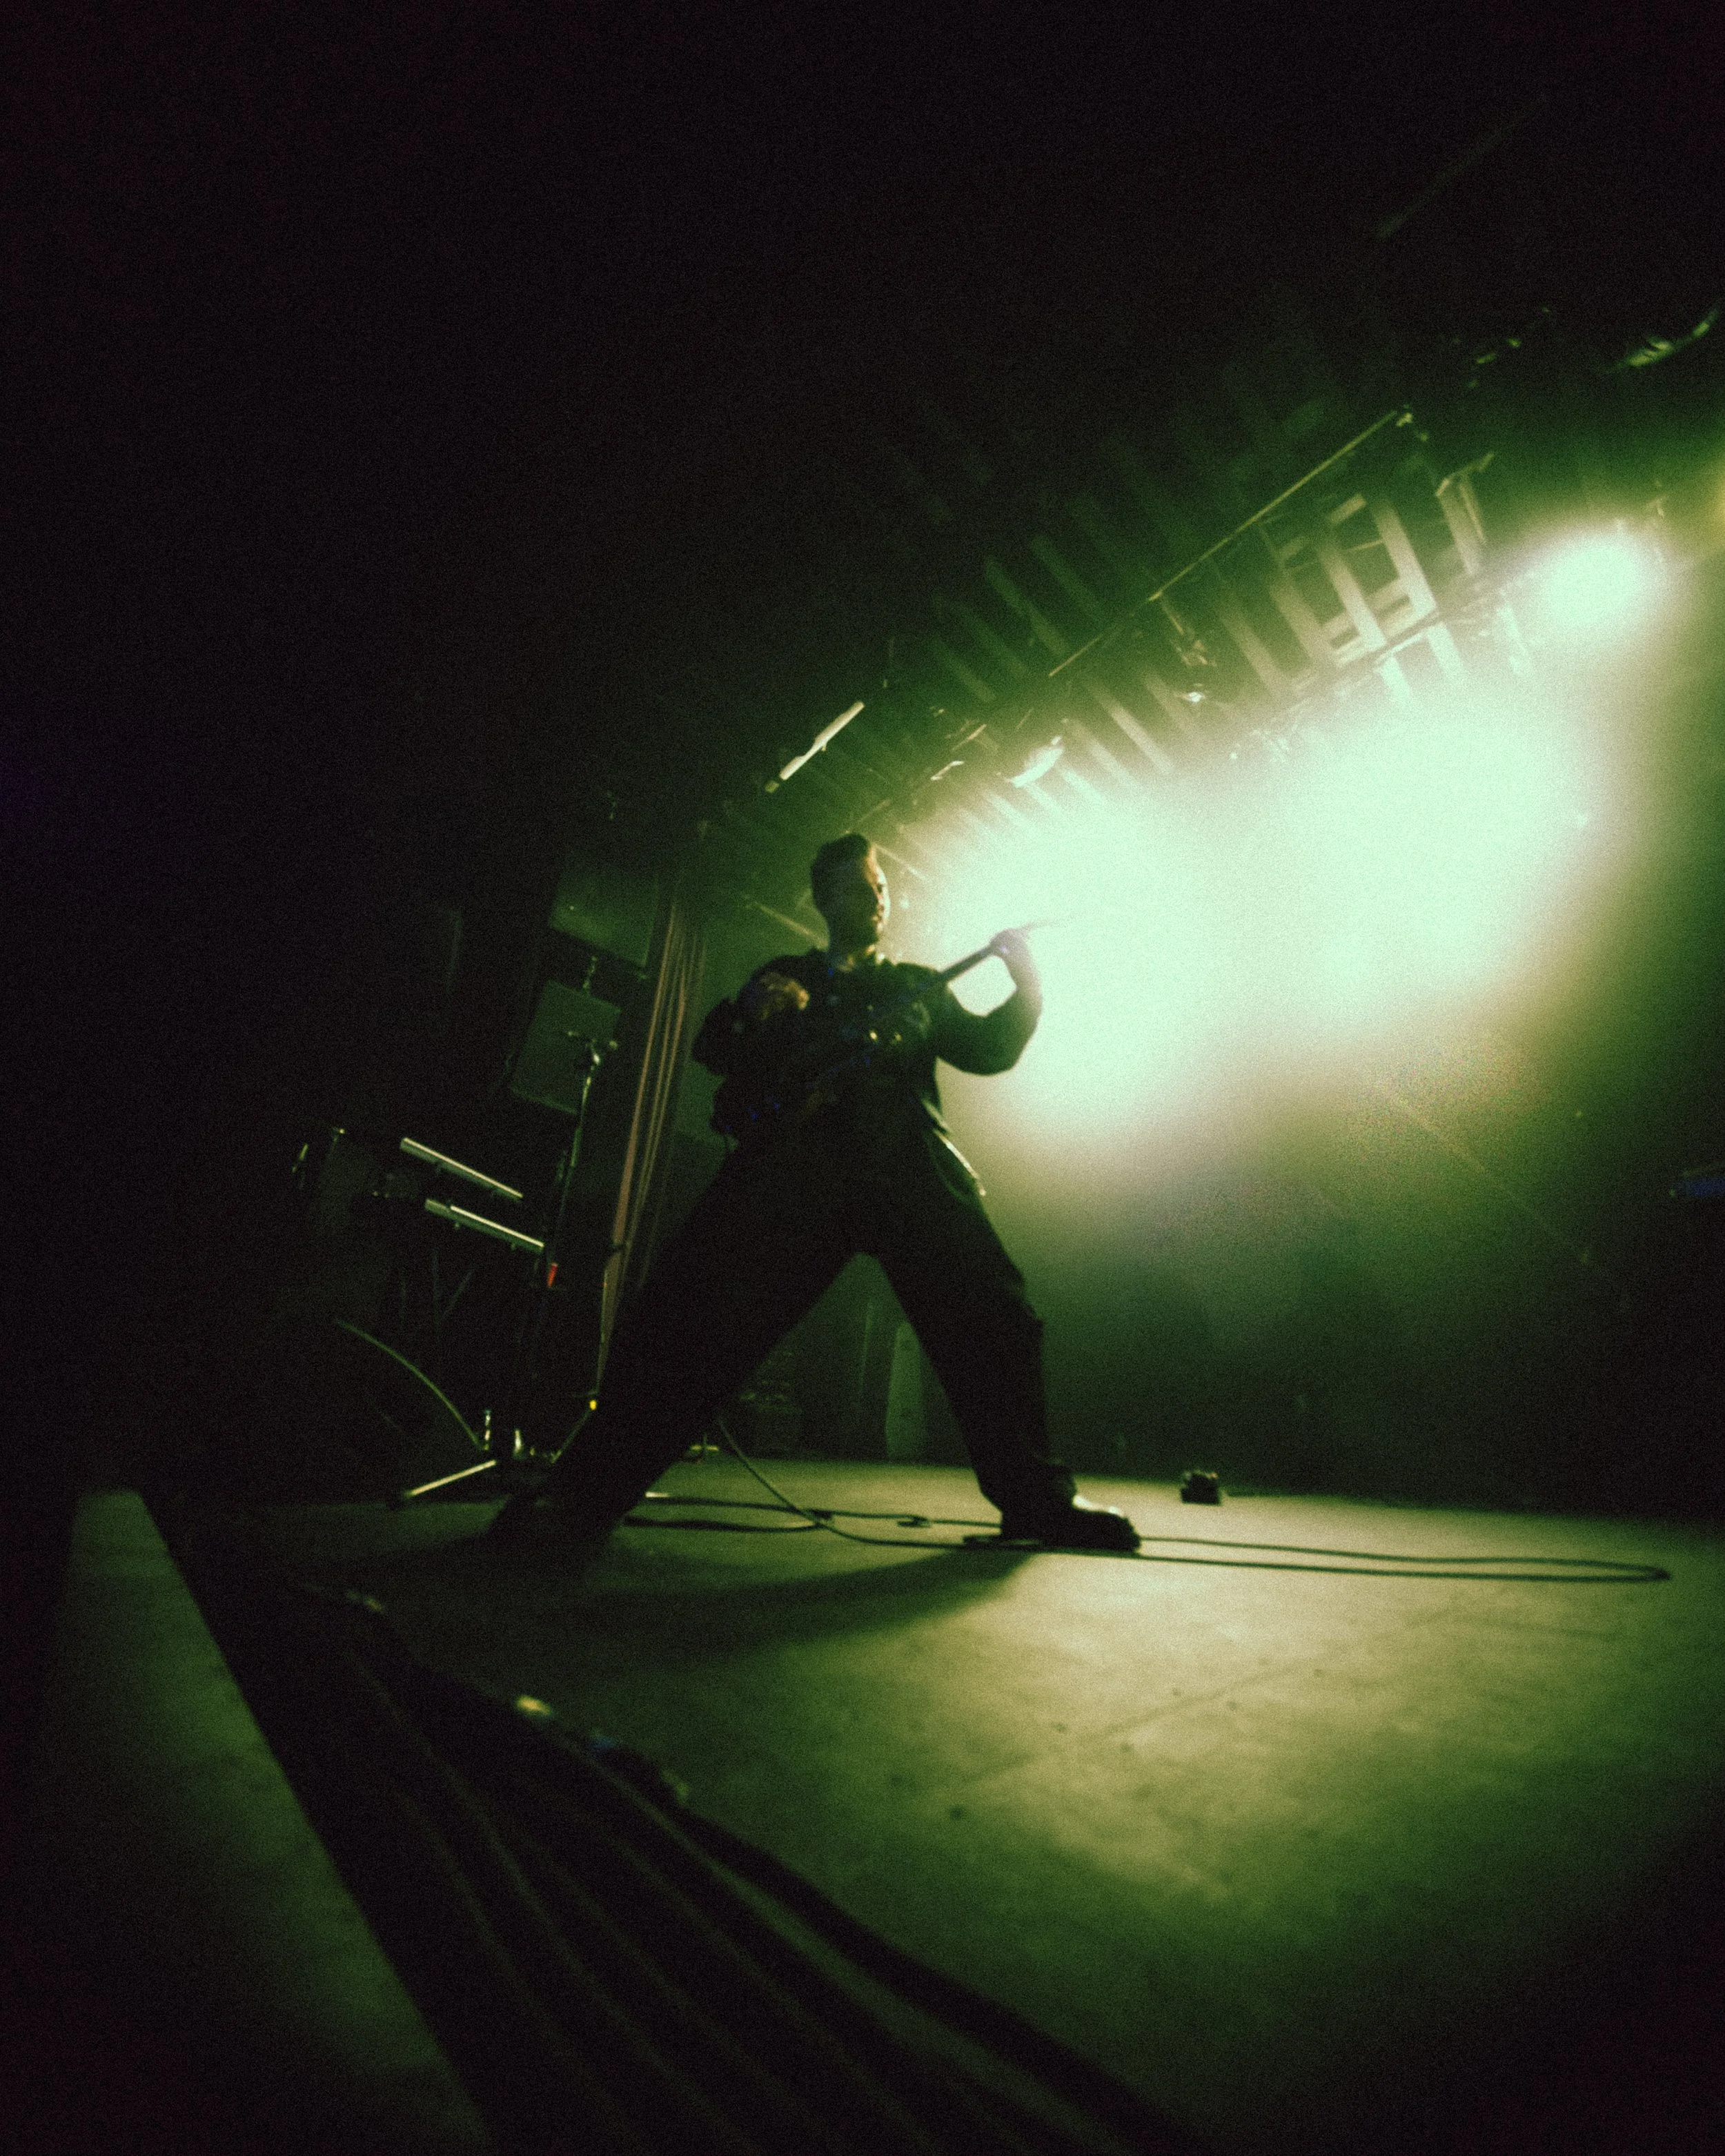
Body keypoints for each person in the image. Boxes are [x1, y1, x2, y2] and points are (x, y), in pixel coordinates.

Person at [493, 833, 1138, 1552]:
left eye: (883, 888)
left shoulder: (913, 982)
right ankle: (583, 1496)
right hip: (795, 1170)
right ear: (825, 898)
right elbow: (718, 1050)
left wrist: (1029, 988)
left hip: (908, 1167)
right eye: (861, 888)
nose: (877, 899)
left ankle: (1036, 1501)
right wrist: (755, 1010)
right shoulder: (784, 974)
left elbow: (986, 1050)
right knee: (690, 1309)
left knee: (997, 1313)